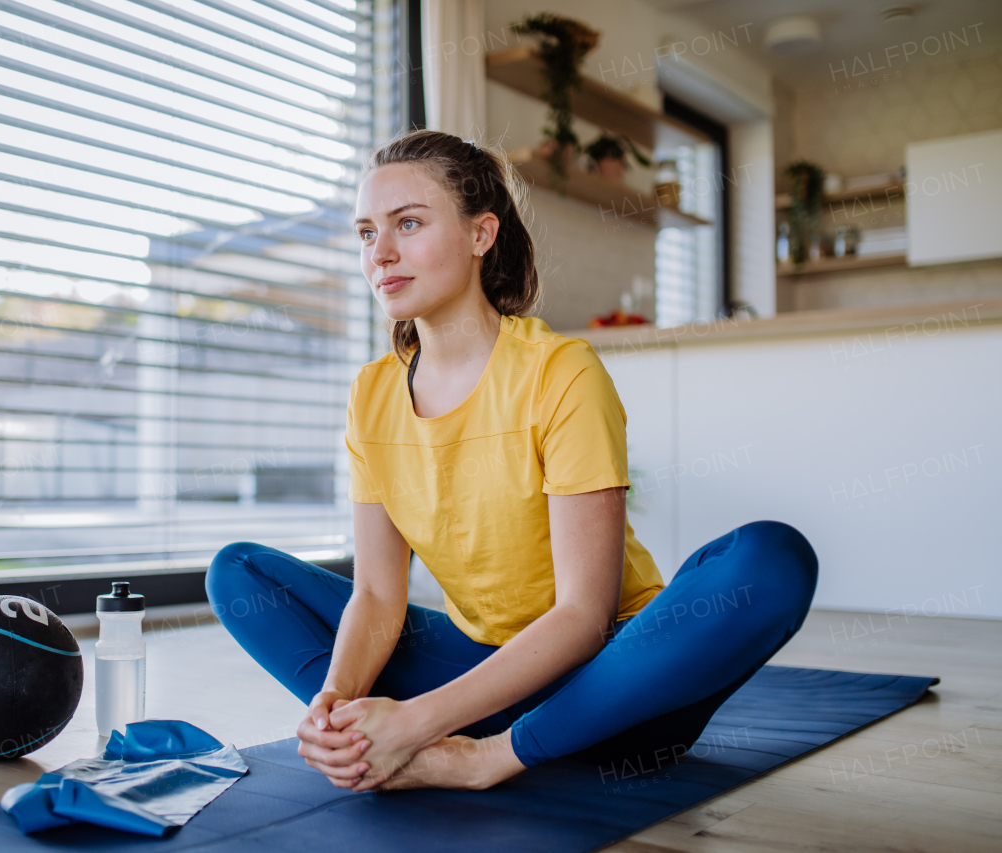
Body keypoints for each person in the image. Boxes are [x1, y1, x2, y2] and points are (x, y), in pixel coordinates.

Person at [205, 129, 818, 793]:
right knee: (237, 572)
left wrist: (417, 723)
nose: (380, 254)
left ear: (480, 234)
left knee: (772, 558)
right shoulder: (371, 393)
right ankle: (371, 737)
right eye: (364, 232)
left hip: (618, 686)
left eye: (407, 224)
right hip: (482, 675)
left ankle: (480, 756)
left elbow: (584, 618)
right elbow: (379, 594)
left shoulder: (560, 371)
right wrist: (334, 701)